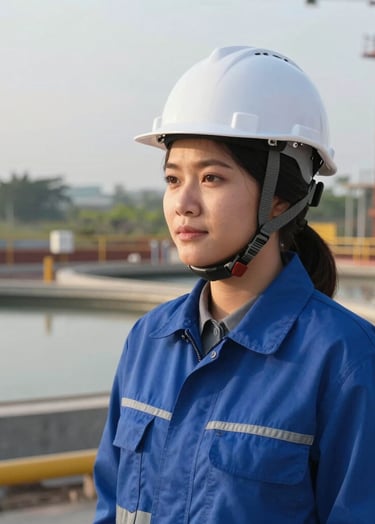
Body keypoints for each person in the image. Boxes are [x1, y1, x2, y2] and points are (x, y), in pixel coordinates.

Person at [93, 46, 375, 523]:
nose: (183, 202)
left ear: (283, 198)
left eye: (211, 177)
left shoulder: (345, 359)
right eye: (172, 177)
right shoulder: (148, 340)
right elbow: (110, 504)